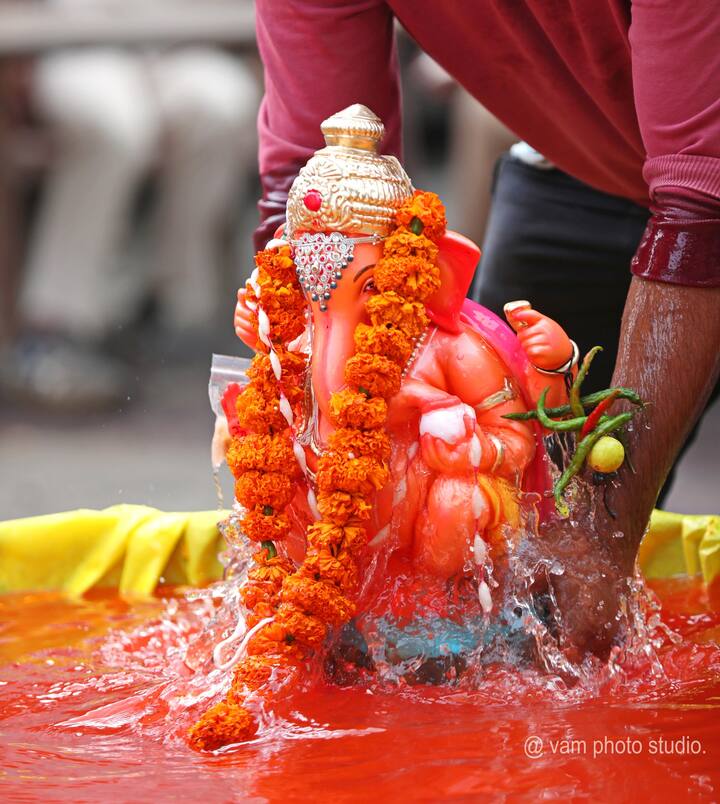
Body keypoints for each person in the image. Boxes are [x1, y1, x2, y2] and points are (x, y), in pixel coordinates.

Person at [247, 0, 720, 659]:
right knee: (518, 606)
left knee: (568, 564)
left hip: (702, 190)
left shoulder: (465, 358)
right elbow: (306, 188)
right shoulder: (451, 346)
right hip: (578, 170)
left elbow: (704, 195)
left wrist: (597, 537)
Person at [0, 1, 260, 409]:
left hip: (177, 39)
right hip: (66, 39)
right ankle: (56, 326)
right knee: (117, 124)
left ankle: (175, 311)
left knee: (222, 106)